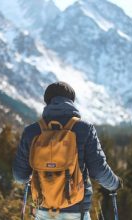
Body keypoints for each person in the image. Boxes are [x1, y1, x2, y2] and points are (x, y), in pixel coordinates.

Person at [13, 82, 121, 220]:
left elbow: (19, 176)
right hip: (76, 210)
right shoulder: (84, 129)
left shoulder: (31, 132)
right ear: (71, 101)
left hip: (43, 210)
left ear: (47, 102)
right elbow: (99, 170)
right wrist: (115, 183)